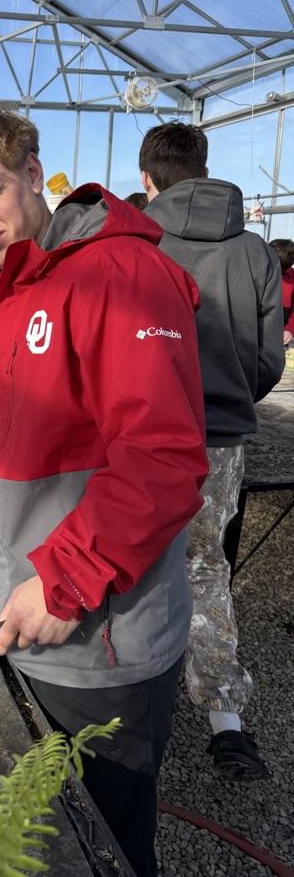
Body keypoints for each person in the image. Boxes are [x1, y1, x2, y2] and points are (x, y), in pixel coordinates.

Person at [0, 102, 209, 877]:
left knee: (105, 840)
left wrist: (62, 581)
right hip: (36, 611)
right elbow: (46, 432)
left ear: (34, 175)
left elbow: (163, 461)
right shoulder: (7, 294)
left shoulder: (120, 272)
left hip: (101, 631)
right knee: (52, 829)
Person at [139, 120, 284, 781]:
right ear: (203, 168)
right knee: (203, 565)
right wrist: (225, 399)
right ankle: (226, 721)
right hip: (218, 439)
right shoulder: (254, 249)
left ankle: (129, 703)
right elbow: (265, 361)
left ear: (147, 180)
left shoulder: (139, 243)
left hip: (142, 436)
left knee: (131, 555)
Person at [269, 238, 294, 344]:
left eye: (282, 268)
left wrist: (289, 330)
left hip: (280, 337)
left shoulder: (292, 278)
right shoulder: (255, 274)